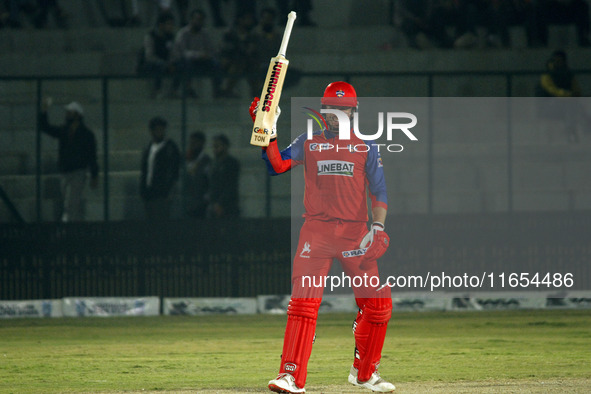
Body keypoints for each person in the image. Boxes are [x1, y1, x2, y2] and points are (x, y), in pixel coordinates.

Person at [249, 81, 395, 393]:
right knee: (303, 304)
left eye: (342, 109)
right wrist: (267, 128)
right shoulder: (308, 142)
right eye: (330, 108)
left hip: (356, 235)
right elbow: (277, 165)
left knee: (378, 305)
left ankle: (365, 373)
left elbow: (379, 192)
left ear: (353, 111)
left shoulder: (367, 147)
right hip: (316, 232)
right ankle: (290, 375)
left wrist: (378, 228)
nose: (335, 114)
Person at [39, 99, 99, 222]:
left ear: (77, 115)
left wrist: (94, 175)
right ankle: (75, 229)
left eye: (70, 112)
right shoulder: (64, 130)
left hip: (78, 172)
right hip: (65, 172)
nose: (67, 115)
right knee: (71, 204)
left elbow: (92, 156)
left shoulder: (86, 134)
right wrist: (44, 111)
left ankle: (67, 229)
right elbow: (46, 128)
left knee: (70, 204)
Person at [171, 8, 224, 98]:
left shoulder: (205, 33)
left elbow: (211, 49)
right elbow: (182, 52)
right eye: (197, 19)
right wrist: (198, 55)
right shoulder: (183, 33)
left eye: (201, 20)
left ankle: (217, 90)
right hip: (187, 60)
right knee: (185, 63)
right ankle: (188, 89)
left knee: (216, 64)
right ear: (191, 20)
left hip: (202, 61)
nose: (199, 22)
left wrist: (207, 55)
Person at [535, 50, 587, 142]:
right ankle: (571, 131)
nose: (558, 62)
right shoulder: (546, 75)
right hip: (548, 105)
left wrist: (574, 95)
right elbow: (553, 91)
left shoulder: (568, 74)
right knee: (571, 105)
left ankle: (571, 130)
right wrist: (570, 95)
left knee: (573, 106)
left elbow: (576, 89)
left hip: (565, 104)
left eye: (560, 60)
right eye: (556, 60)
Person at [139, 116, 180, 220]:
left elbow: (174, 170)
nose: (159, 132)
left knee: (161, 220)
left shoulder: (170, 147)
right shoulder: (149, 148)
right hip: (149, 192)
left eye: (161, 130)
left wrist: (169, 191)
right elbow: (145, 170)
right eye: (157, 130)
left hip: (162, 193)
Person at [137, 11, 176, 99]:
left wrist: (171, 63)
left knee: (180, 65)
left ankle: (174, 91)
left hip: (165, 63)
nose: (171, 27)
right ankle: (157, 91)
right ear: (161, 25)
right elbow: (149, 56)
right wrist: (164, 63)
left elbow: (173, 53)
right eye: (169, 24)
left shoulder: (171, 37)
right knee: (160, 66)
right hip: (148, 65)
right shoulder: (150, 36)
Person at [219, 10, 259, 97]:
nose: (250, 22)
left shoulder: (252, 35)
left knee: (254, 68)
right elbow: (226, 51)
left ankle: (256, 93)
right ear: (240, 20)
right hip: (231, 62)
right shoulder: (229, 34)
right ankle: (227, 91)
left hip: (248, 63)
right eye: (248, 19)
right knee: (237, 66)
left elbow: (251, 51)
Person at [207, 134, 240, 218]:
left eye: (217, 146)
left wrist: (220, 203)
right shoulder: (214, 164)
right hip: (214, 204)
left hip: (228, 205)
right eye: (214, 147)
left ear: (225, 146)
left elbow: (231, 185)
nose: (215, 149)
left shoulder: (231, 163)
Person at [185, 131, 211, 218]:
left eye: (195, 143)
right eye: (191, 143)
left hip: (201, 204)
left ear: (201, 143)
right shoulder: (187, 160)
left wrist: (206, 199)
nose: (192, 145)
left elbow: (209, 181)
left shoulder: (206, 161)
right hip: (188, 203)